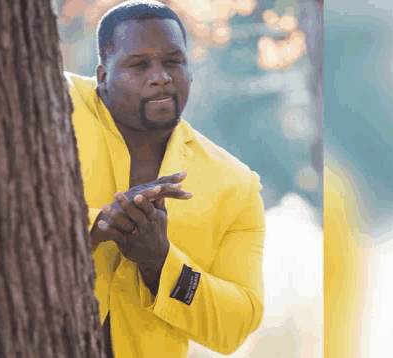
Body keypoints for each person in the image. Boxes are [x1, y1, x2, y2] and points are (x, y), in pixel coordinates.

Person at [64, 1, 265, 357]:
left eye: (173, 61)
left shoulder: (235, 185)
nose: (160, 76)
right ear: (103, 75)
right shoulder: (55, 102)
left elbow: (238, 322)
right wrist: (98, 226)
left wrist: (160, 262)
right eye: (139, 64)